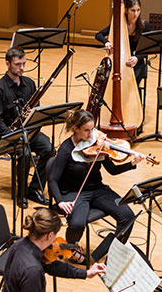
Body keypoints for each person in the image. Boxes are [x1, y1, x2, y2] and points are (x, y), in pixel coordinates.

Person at [48, 109, 141, 262]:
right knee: (77, 223)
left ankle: (113, 252)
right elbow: (52, 180)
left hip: (98, 189)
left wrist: (131, 164)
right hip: (74, 192)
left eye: (92, 129)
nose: (91, 135)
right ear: (75, 129)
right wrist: (60, 201)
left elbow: (112, 170)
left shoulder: (97, 144)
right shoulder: (66, 149)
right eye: (86, 130)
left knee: (127, 216)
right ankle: (70, 249)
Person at [0, 47, 53, 207]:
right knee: (24, 154)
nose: (22, 68)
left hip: (29, 131)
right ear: (7, 63)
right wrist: (10, 134)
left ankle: (34, 189)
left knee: (49, 149)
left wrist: (31, 115)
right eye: (18, 64)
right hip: (9, 135)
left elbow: (37, 109)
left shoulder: (29, 83)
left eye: (23, 63)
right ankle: (21, 194)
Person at [95, 0, 152, 83]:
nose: (136, 14)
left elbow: (147, 48)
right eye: (133, 10)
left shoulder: (145, 26)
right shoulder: (119, 24)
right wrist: (106, 42)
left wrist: (137, 58)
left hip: (137, 61)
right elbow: (98, 35)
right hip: (120, 59)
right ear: (126, 10)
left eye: (138, 10)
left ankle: (134, 96)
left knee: (133, 79)